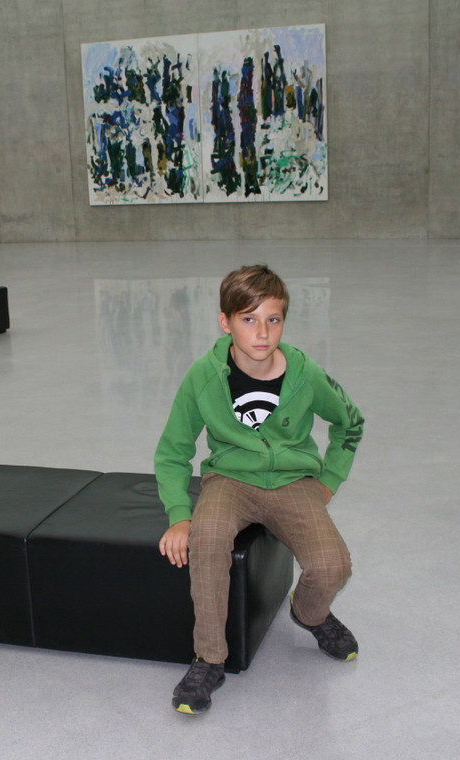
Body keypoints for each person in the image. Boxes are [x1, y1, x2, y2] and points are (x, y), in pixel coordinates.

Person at [155, 264, 364, 715]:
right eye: (249, 319)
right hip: (229, 481)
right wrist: (179, 515)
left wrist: (329, 479)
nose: (263, 332)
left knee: (333, 567)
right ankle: (209, 658)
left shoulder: (306, 374)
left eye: (273, 319)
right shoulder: (203, 376)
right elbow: (172, 452)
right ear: (225, 322)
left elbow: (351, 422)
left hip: (293, 482)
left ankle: (309, 613)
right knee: (208, 538)